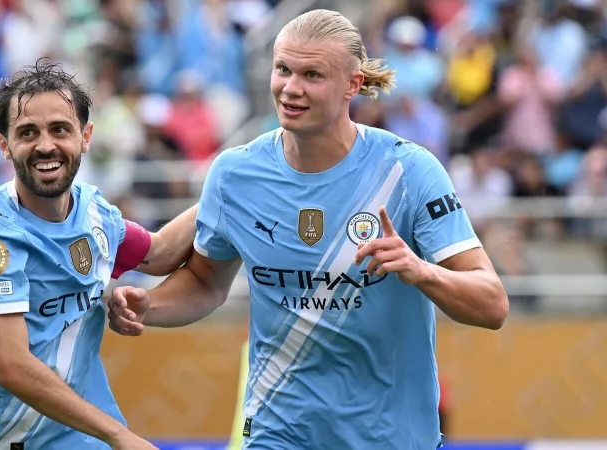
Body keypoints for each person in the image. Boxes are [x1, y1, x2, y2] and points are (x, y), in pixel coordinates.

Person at [108, 9, 509, 449]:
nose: (291, 88)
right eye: (283, 69)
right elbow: (204, 281)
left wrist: (419, 270)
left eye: (313, 74)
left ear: (353, 85)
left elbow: (492, 305)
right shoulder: (235, 172)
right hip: (275, 433)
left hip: (389, 437)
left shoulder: (408, 170)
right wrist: (150, 305)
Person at [0, 59, 197, 450]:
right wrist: (119, 436)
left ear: (86, 136)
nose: (45, 145)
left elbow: (160, 253)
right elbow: (13, 367)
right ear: (3, 145)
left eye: (60, 129)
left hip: (76, 440)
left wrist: (223, 186)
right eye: (27, 132)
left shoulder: (94, 211)